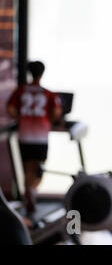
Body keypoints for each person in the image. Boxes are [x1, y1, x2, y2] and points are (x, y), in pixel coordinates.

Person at [7, 61, 62, 214]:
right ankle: (32, 190)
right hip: (40, 135)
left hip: (24, 133)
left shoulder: (21, 91)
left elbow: (10, 108)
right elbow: (56, 112)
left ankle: (28, 192)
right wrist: (48, 121)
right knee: (38, 167)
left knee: (27, 168)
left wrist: (20, 119)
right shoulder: (48, 93)